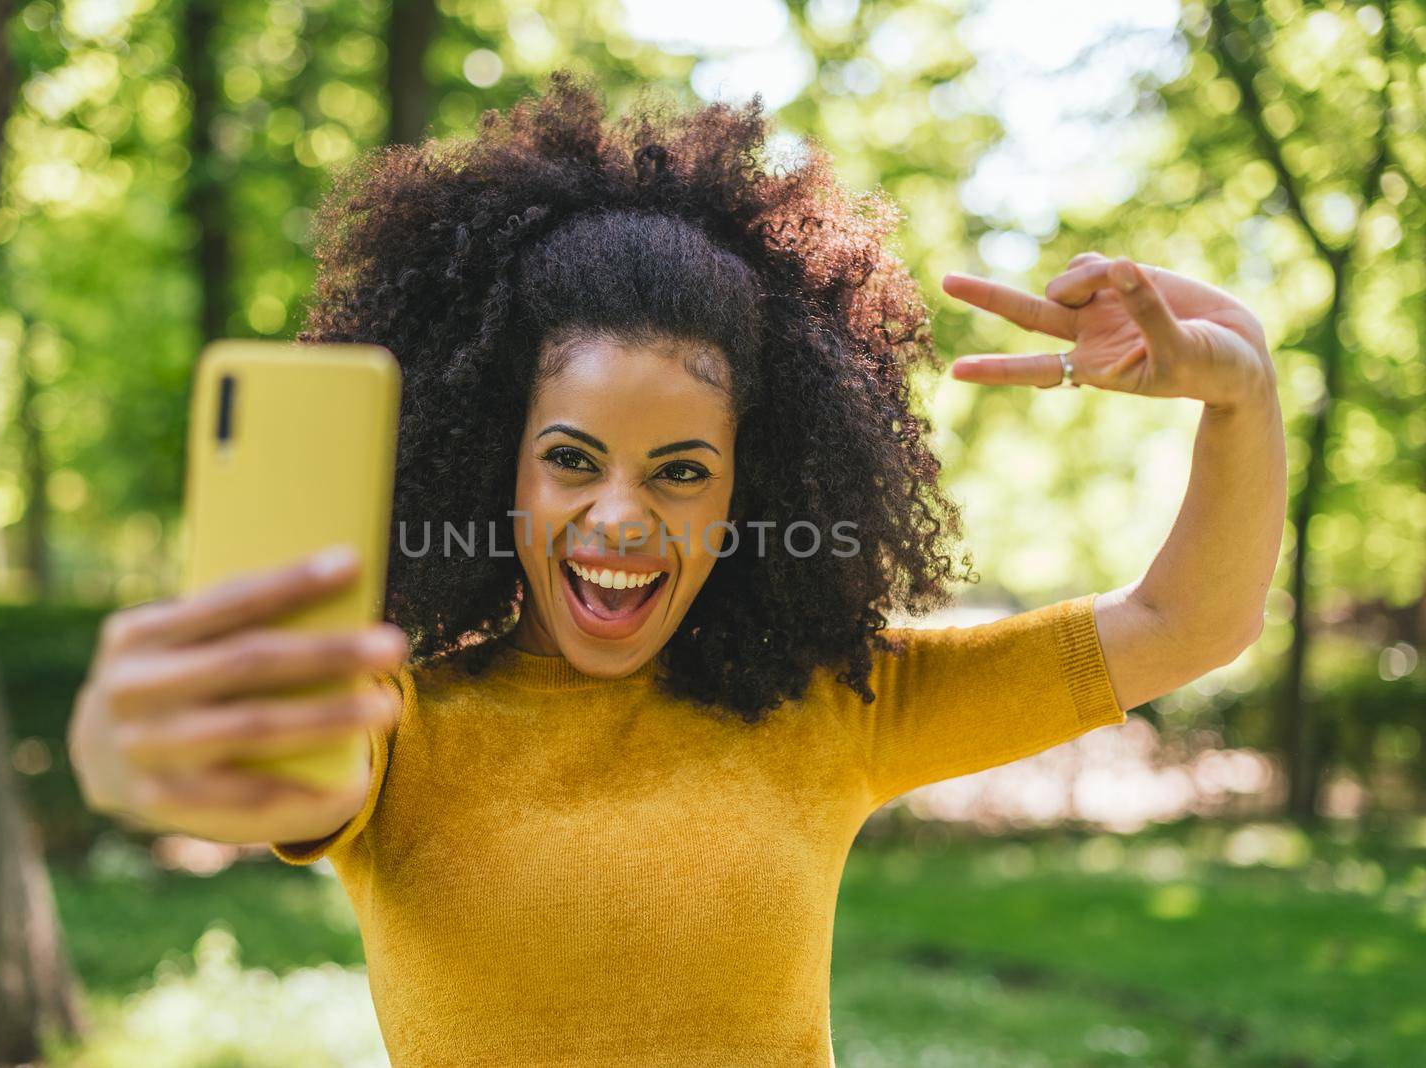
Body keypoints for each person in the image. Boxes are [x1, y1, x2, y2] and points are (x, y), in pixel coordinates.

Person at [68, 74, 1286, 1065]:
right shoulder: (400, 722)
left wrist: (1241, 393)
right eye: (571, 460)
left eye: (680, 472)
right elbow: (281, 767)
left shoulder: (839, 707)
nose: (619, 517)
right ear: (500, 470)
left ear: (749, 493)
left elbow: (1189, 620)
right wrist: (144, 748)